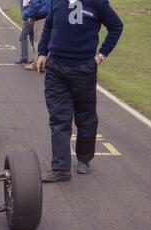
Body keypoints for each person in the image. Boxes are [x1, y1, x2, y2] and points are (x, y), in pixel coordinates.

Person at [37, 0, 123, 182]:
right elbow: (49, 25)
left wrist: (101, 55)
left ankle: (84, 159)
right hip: (56, 68)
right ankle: (60, 169)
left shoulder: (98, 2)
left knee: (85, 117)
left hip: (83, 68)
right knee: (59, 118)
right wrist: (42, 52)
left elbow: (116, 26)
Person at [23, 0, 50, 71]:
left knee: (38, 40)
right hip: (50, 13)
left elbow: (35, 3)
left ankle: (38, 64)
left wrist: (31, 16)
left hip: (41, 15)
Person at [15, 0, 34, 64]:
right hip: (28, 17)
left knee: (23, 37)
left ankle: (24, 57)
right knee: (33, 38)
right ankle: (36, 58)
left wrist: (30, 16)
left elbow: (32, 5)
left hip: (29, 18)